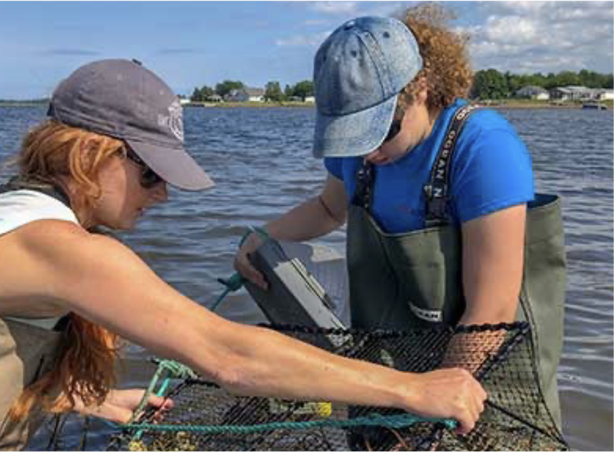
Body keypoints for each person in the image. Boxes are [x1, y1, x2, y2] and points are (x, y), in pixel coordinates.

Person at [0, 58, 487, 452]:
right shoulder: (58, 246)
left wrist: (83, 398)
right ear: (93, 153)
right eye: (151, 174)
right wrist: (414, 386)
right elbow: (230, 356)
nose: (162, 195)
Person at [234, 5, 565, 427]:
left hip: (485, 355)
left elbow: (491, 308)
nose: (368, 152)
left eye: (381, 130)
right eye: (352, 136)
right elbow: (327, 208)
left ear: (421, 87)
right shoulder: (360, 156)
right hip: (398, 349)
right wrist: (259, 238)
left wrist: (428, 417)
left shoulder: (484, 147)